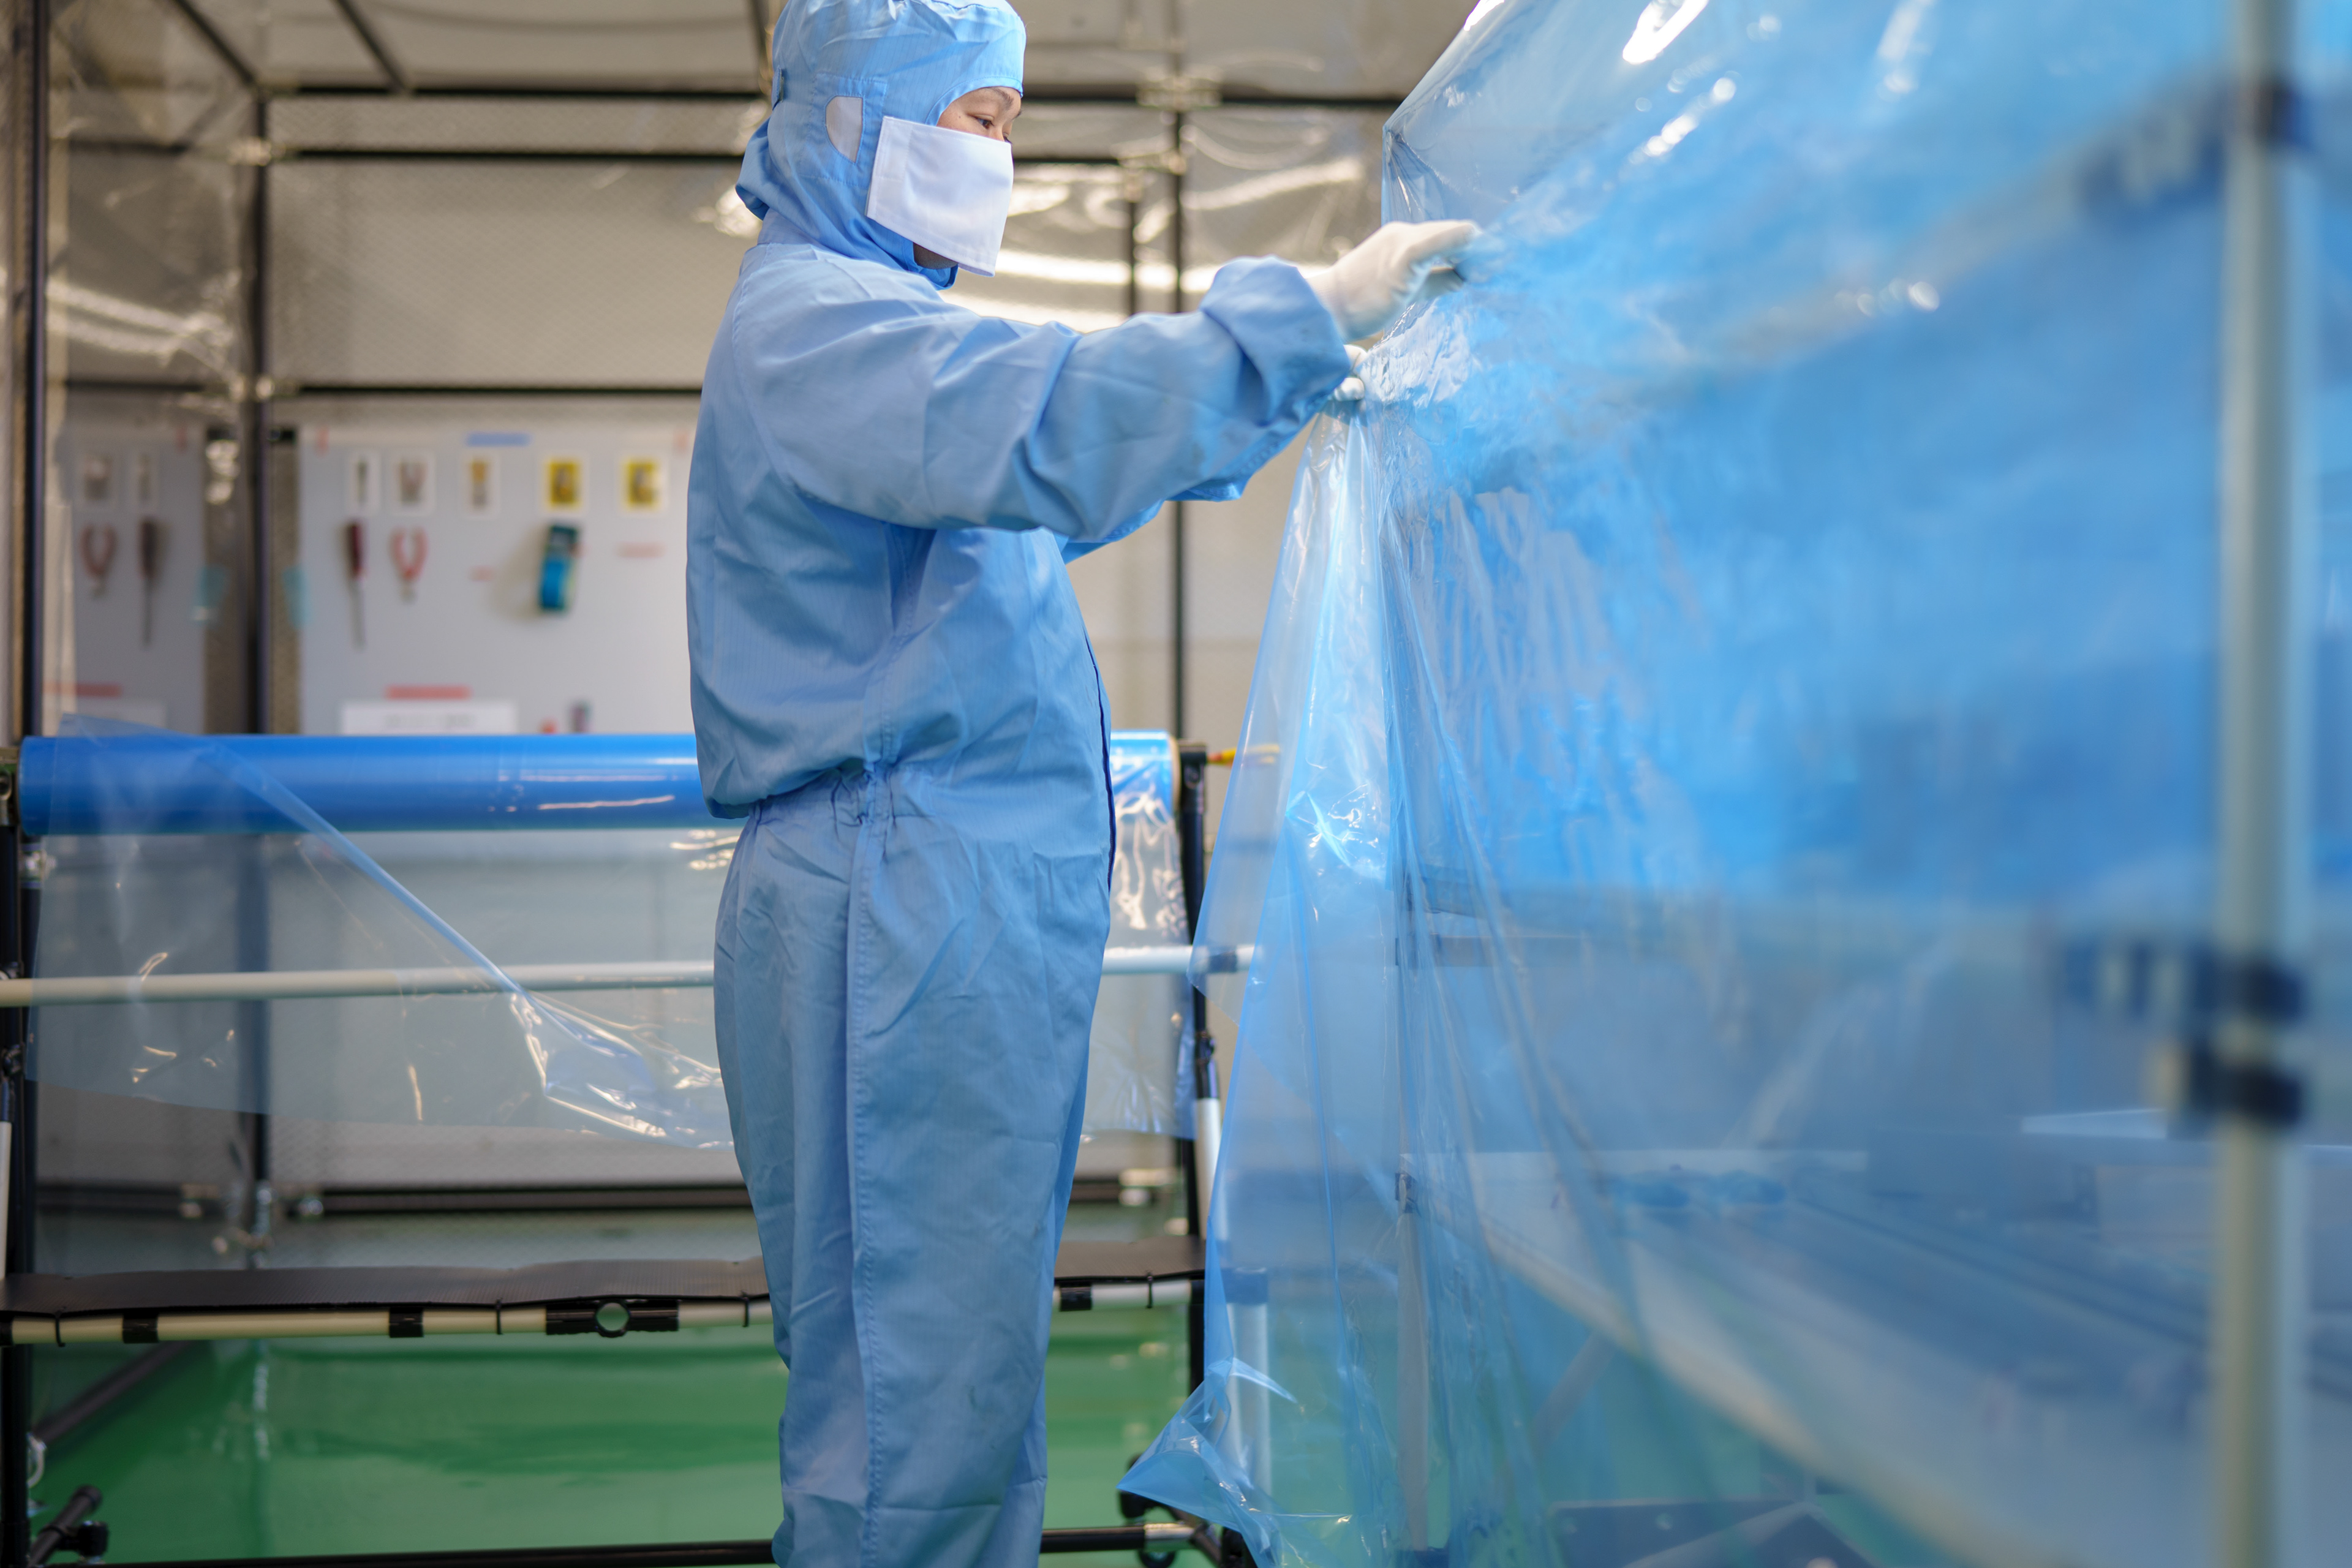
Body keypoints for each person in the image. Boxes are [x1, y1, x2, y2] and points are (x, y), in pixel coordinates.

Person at [687, 2, 1474, 1564]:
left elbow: (1061, 466)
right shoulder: (818, 325)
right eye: (979, 121)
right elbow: (1047, 418)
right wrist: (1306, 317)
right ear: (852, 119)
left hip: (928, 902)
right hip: (897, 907)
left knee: (951, 1369)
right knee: (914, 1388)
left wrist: (1294, 386)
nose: (1003, 157)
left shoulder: (864, 323)